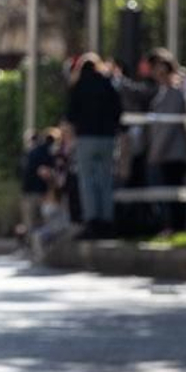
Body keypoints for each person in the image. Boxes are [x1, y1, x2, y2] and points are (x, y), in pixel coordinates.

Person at [65, 52, 122, 239]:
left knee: (87, 181)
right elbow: (118, 110)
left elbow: (71, 115)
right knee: (105, 179)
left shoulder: (78, 86)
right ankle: (108, 220)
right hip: (106, 138)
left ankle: (92, 220)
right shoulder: (108, 83)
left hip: (86, 137)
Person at [145, 50, 186, 236]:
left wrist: (155, 152)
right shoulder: (162, 90)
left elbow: (169, 125)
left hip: (172, 152)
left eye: (155, 66)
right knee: (166, 191)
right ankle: (169, 225)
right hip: (163, 152)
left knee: (174, 190)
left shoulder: (174, 89)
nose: (153, 72)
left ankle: (176, 227)